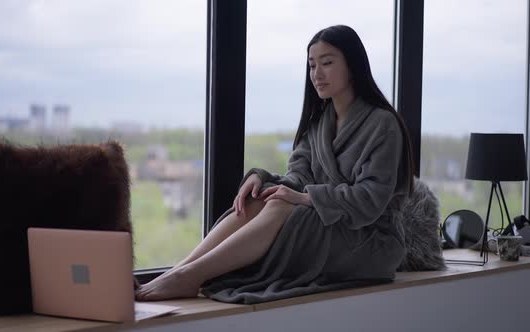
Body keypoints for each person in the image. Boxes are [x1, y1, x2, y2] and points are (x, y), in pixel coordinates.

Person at [135, 25, 414, 303]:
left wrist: (305, 197)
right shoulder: (318, 124)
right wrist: (261, 177)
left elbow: (370, 200)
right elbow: (298, 176)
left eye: (327, 63)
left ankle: (190, 276)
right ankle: (182, 270)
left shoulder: (382, 124)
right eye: (312, 65)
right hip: (332, 229)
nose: (317, 73)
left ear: (353, 65)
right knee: (262, 197)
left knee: (280, 203)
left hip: (371, 241)